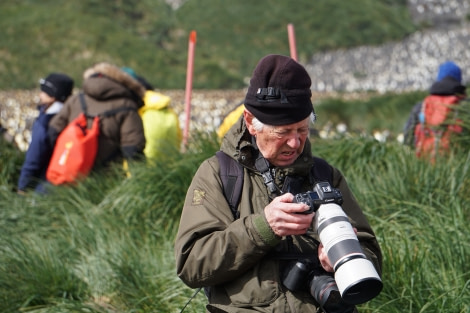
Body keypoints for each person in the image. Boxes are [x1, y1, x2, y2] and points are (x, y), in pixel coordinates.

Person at [174, 54, 382, 312]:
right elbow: (191, 265)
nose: (295, 143)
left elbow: (371, 255)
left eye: (302, 130)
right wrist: (263, 228)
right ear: (251, 122)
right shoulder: (219, 174)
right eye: (283, 132)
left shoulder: (325, 175)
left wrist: (344, 255)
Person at [48, 63, 146, 174]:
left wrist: (66, 154)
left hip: (71, 174)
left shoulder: (76, 99)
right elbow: (133, 150)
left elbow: (53, 130)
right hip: (107, 178)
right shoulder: (127, 106)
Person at [17, 73, 74, 194]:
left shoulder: (46, 121)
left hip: (43, 184)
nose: (40, 94)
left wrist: (23, 186)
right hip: (66, 182)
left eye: (44, 91)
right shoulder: (72, 117)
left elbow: (34, 157)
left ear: (53, 95)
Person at [121, 67, 182, 160]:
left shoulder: (136, 106)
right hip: (170, 167)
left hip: (144, 169)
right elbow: (179, 139)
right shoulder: (164, 105)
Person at [403, 61, 467, 147]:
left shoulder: (422, 106)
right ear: (459, 80)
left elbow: (408, 139)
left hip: (425, 158)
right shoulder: (465, 106)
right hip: (459, 157)